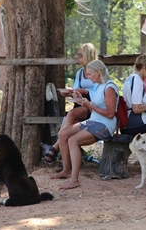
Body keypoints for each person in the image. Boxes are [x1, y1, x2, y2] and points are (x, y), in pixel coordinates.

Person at [50, 59, 119, 189]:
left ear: (98, 73)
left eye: (90, 74)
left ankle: (74, 179)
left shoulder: (109, 87)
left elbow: (110, 114)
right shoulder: (98, 86)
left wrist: (90, 106)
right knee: (63, 134)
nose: (88, 77)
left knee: (73, 140)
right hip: (93, 121)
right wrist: (80, 99)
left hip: (105, 124)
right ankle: (66, 169)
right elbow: (92, 101)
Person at [42, 43, 98, 165]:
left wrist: (85, 91)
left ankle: (55, 148)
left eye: (80, 55)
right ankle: (64, 159)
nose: (78, 58)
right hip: (80, 103)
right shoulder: (79, 73)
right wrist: (70, 93)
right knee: (71, 122)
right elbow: (76, 90)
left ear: (88, 56)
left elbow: (101, 90)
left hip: (93, 104)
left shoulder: (98, 71)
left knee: (71, 114)